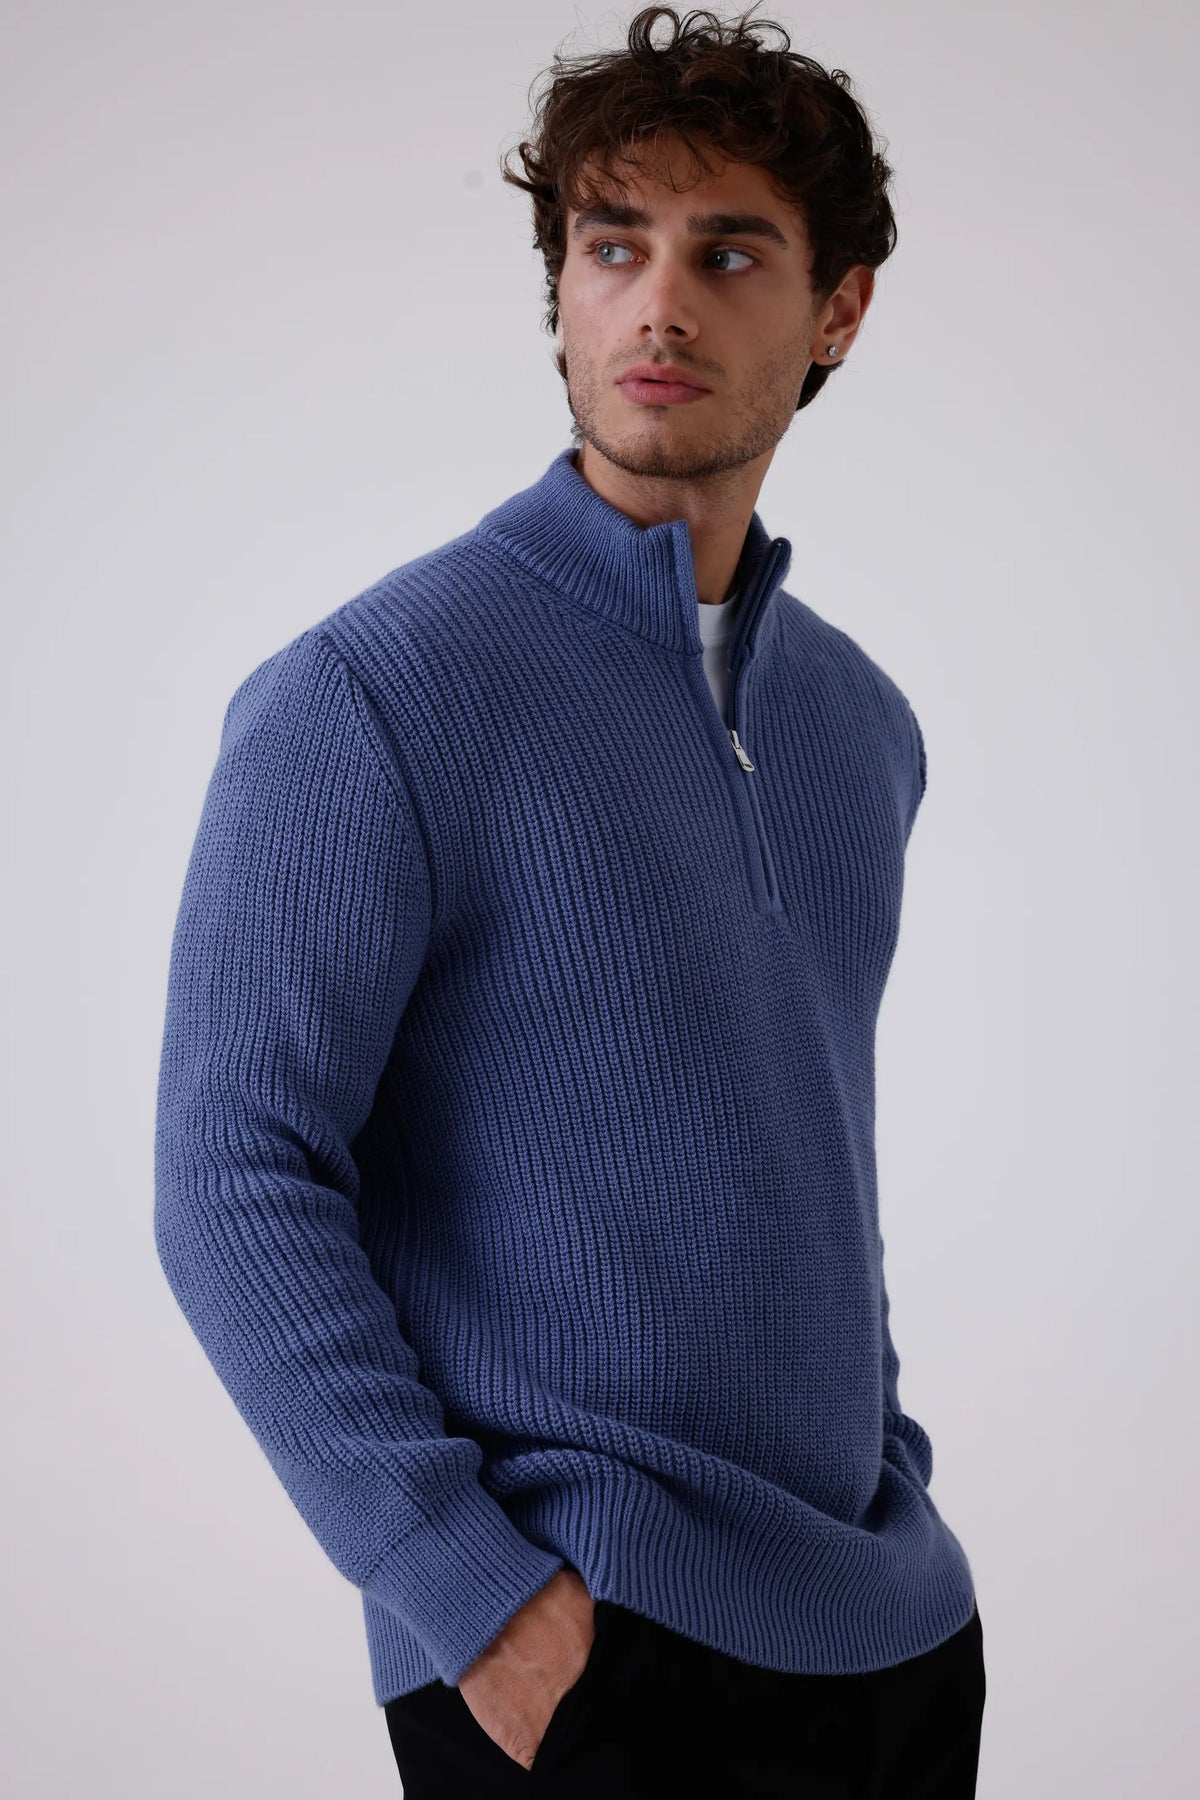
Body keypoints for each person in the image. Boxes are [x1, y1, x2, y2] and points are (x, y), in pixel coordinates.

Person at [153, 6, 985, 1795]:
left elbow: (807, 1153)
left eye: (728, 253)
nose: (658, 306)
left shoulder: (862, 730)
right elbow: (234, 1173)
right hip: (586, 1640)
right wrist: (466, 1593)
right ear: (560, 294)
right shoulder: (371, 697)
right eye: (613, 248)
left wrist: (893, 1474)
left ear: (838, 311)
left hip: (891, 1637)